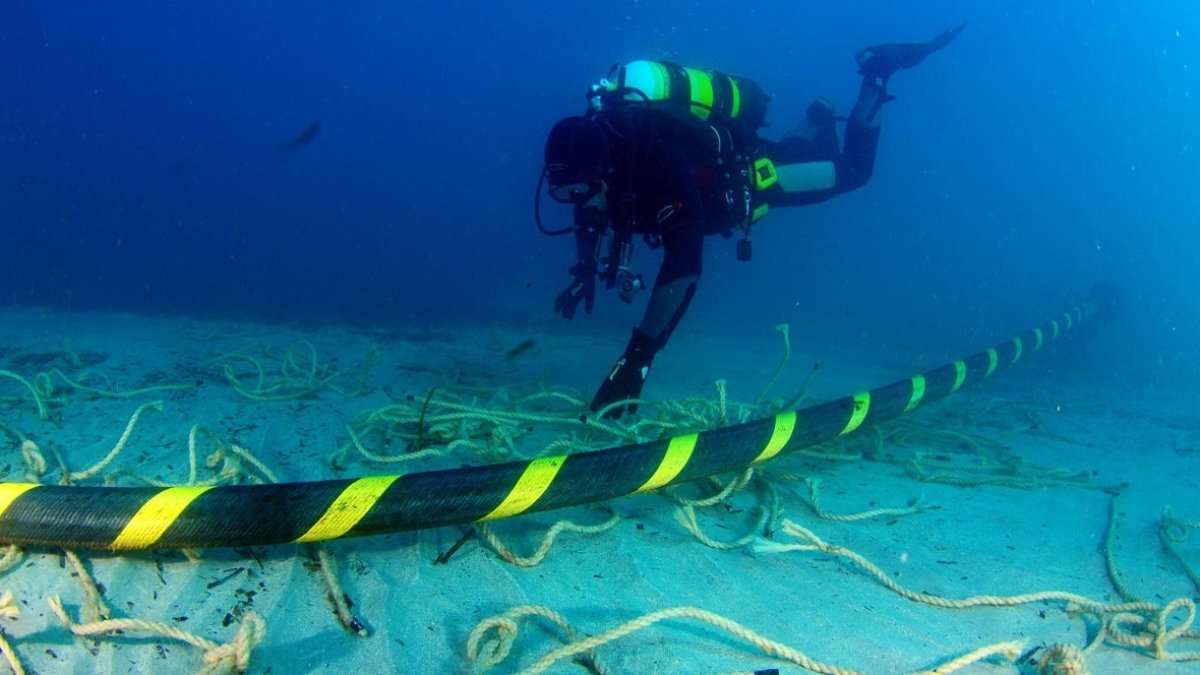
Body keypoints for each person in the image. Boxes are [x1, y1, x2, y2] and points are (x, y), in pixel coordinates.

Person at [541, 23, 966, 419]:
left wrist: (638, 359)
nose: (578, 201)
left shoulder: (657, 164)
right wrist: (584, 270)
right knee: (787, 152)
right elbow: (590, 208)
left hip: (756, 180)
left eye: (579, 189)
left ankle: (877, 74)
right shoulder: (604, 167)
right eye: (565, 193)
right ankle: (816, 119)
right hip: (737, 170)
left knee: (853, 172)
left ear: (602, 165)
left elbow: (685, 262)